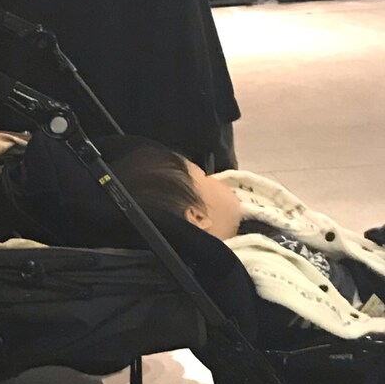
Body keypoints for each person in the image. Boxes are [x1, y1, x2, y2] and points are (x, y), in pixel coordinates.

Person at [109, 142, 385, 340]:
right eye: (205, 178)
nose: (222, 181)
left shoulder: (250, 228)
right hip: (362, 308)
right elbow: (316, 320)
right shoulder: (249, 272)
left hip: (362, 275)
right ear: (198, 217)